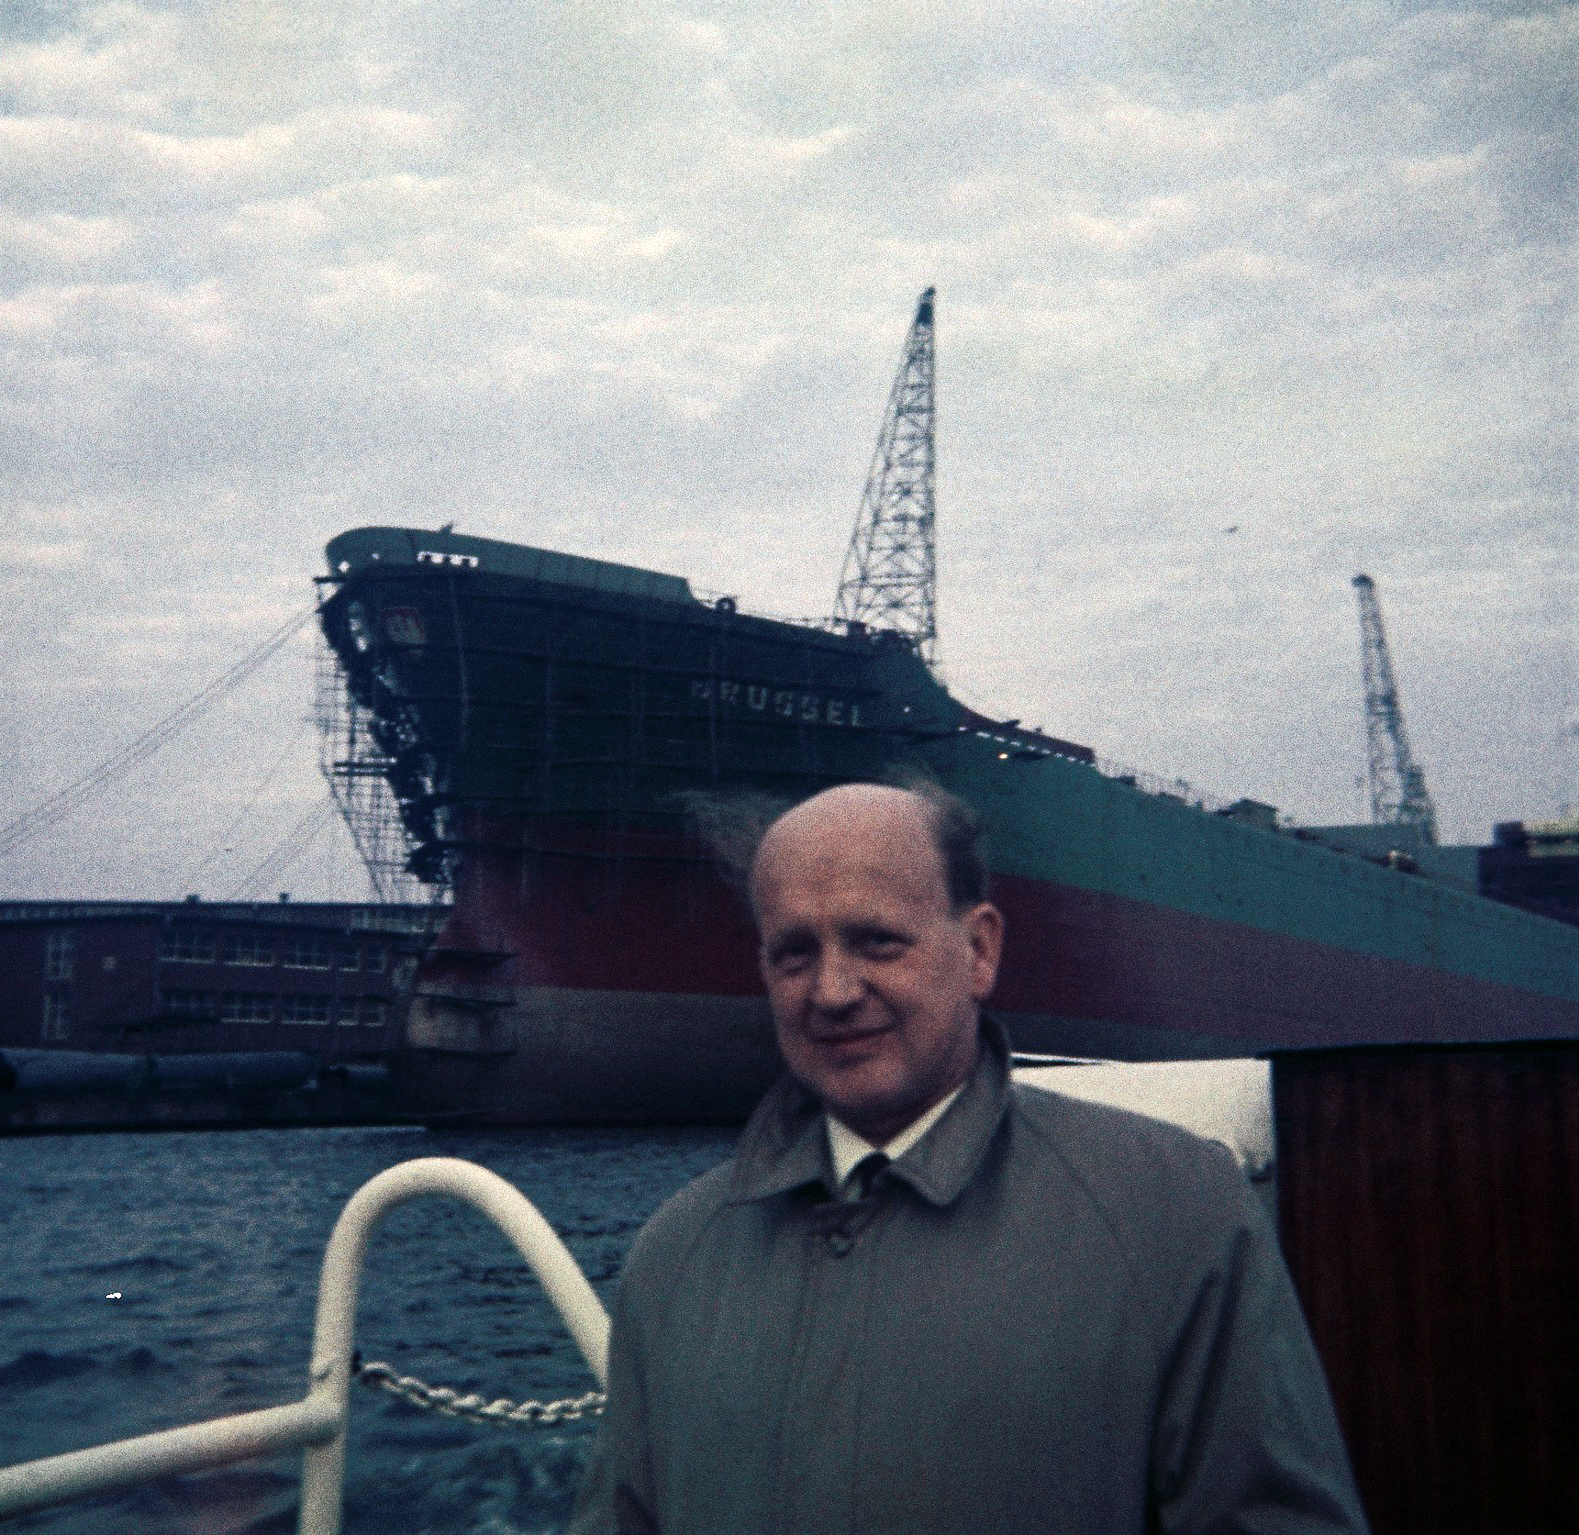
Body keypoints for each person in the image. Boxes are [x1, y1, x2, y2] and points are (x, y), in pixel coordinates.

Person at [571, 782, 1368, 1534]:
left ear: (979, 948)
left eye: (875, 940)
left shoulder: (1176, 1211)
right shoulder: (673, 1254)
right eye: (794, 953)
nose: (833, 989)